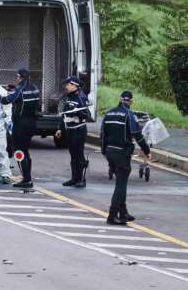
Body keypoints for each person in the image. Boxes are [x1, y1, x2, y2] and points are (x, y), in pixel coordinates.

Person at [101, 90, 151, 225]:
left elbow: (102, 134)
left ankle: (123, 212)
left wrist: (104, 152)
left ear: (120, 99)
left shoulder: (109, 113)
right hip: (122, 152)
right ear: (131, 101)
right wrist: (147, 151)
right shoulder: (129, 115)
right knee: (121, 185)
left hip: (110, 151)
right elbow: (137, 134)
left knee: (120, 182)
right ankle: (112, 215)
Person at [0, 68, 40, 189]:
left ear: (20, 77)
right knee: (25, 151)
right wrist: (14, 90)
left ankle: (27, 179)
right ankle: (27, 177)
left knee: (19, 152)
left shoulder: (20, 90)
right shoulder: (35, 88)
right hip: (32, 123)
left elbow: (6, 100)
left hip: (21, 124)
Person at [56, 76, 91, 188]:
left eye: (68, 85)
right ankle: (74, 178)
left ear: (75, 85)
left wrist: (77, 113)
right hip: (69, 130)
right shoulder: (68, 97)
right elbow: (64, 114)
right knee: (73, 156)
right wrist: (59, 128)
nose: (66, 86)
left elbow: (87, 115)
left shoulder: (81, 98)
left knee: (78, 155)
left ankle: (80, 179)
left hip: (79, 130)